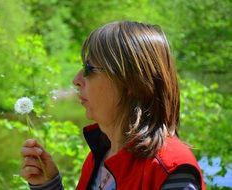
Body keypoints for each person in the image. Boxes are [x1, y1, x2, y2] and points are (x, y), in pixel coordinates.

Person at [20, 21, 206, 190]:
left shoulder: (171, 170)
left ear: (132, 83)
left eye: (89, 69)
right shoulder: (100, 155)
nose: (76, 80)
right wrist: (49, 185)